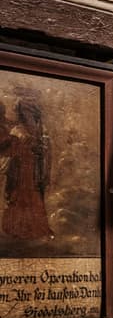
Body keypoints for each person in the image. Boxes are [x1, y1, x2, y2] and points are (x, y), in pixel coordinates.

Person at [0, 97, 54, 245]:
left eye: (26, 112)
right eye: (22, 112)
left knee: (32, 196)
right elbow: (9, 150)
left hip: (31, 171)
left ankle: (33, 230)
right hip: (18, 170)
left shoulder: (41, 132)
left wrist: (45, 171)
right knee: (17, 196)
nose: (22, 115)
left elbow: (46, 154)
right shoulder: (17, 130)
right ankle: (16, 230)